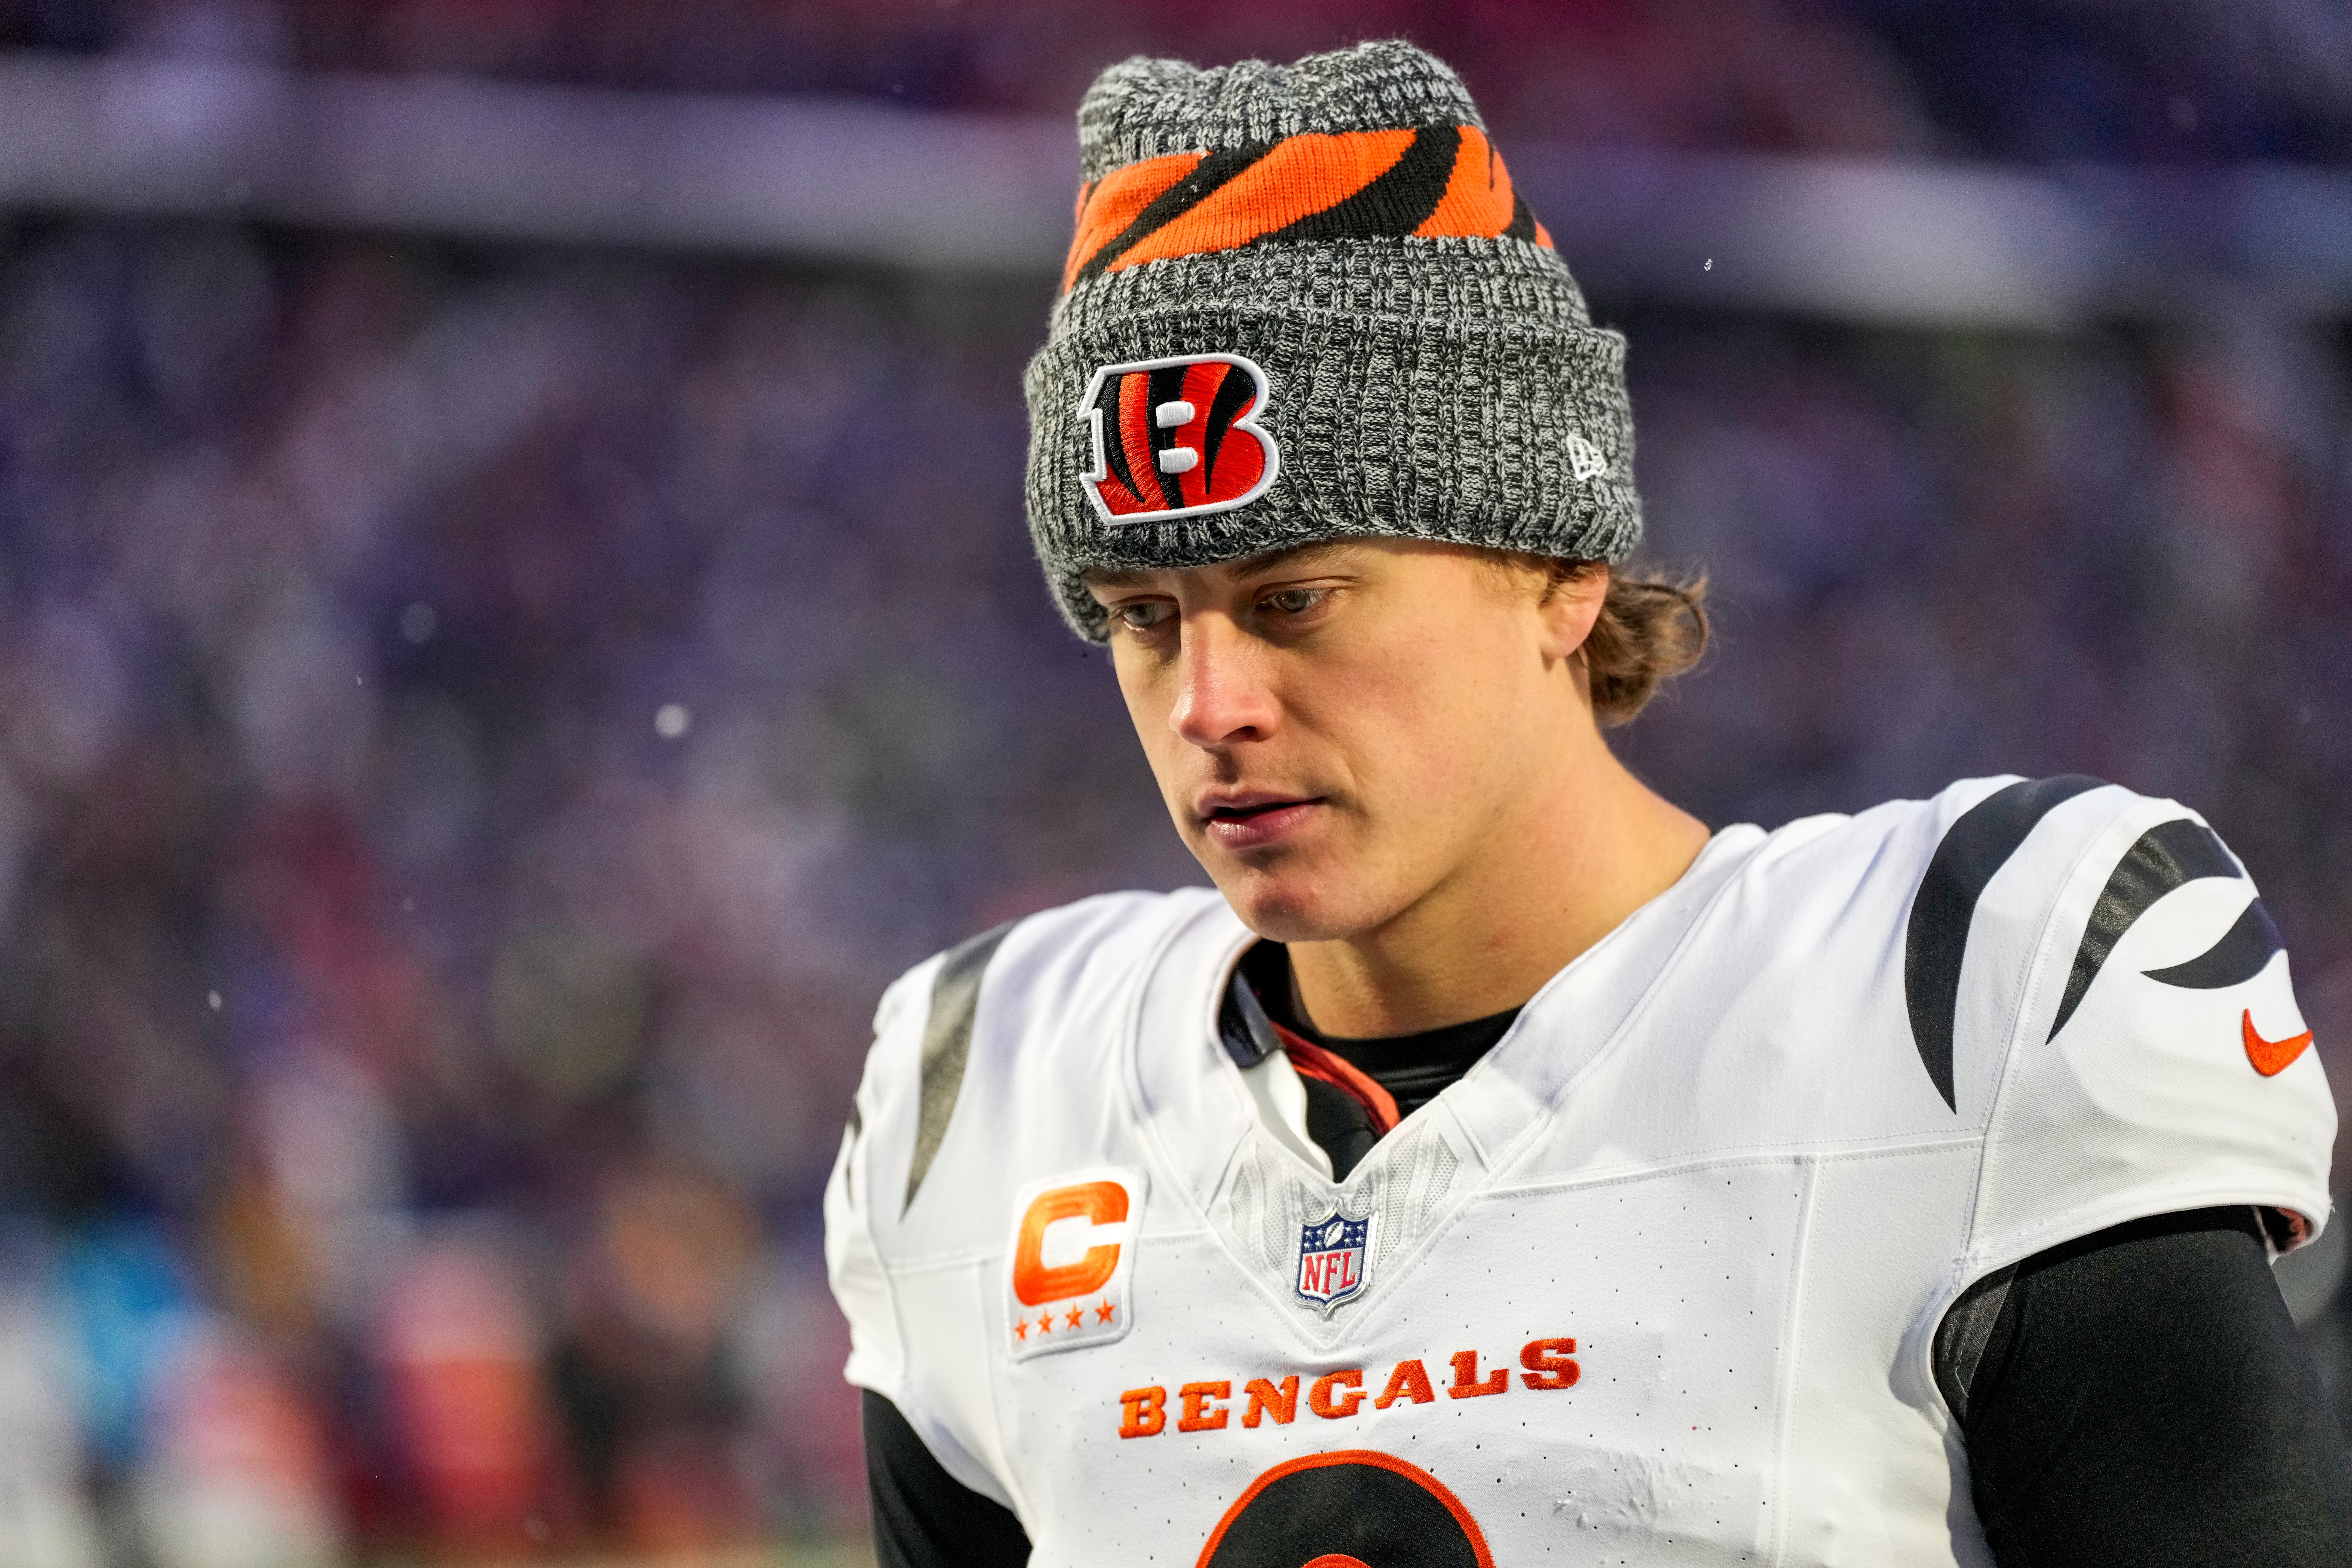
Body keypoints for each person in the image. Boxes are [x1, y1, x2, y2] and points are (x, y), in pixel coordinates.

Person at [826, 39, 2351, 1568]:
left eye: (1294, 600)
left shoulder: (1973, 987)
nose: (1207, 702)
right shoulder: (980, 1093)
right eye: (1144, 616)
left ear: (1558, 572)